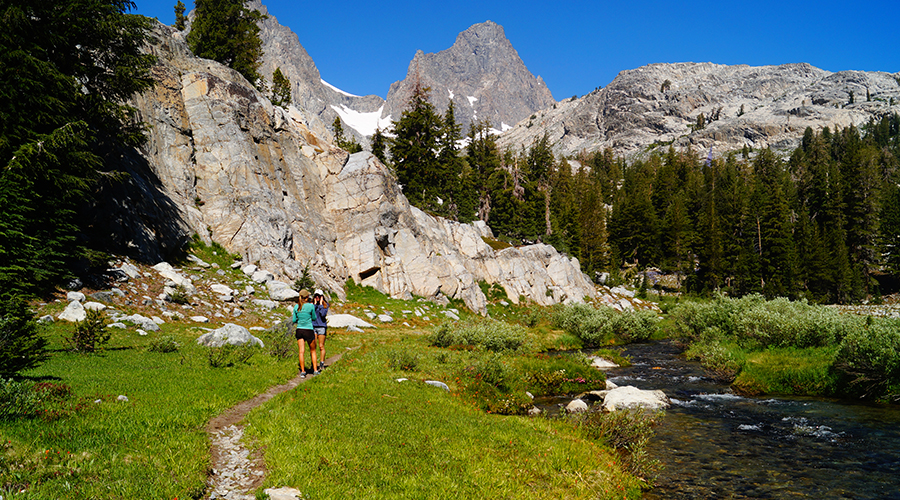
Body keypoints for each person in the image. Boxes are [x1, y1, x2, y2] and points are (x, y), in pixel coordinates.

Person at [292, 289, 318, 377]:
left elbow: (294, 320)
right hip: (309, 329)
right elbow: (314, 318)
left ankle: (303, 371)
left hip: (299, 329)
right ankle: (315, 370)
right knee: (313, 350)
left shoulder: (296, 307)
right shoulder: (311, 306)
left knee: (301, 352)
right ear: (307, 297)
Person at [312, 289, 329, 371]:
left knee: (321, 346)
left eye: (319, 296)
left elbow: (323, 314)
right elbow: (311, 314)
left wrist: (321, 304)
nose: (317, 297)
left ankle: (322, 363)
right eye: (316, 296)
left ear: (322, 297)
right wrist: (315, 305)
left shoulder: (325, 305)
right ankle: (314, 363)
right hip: (313, 326)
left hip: (321, 327)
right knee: (313, 346)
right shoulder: (312, 305)